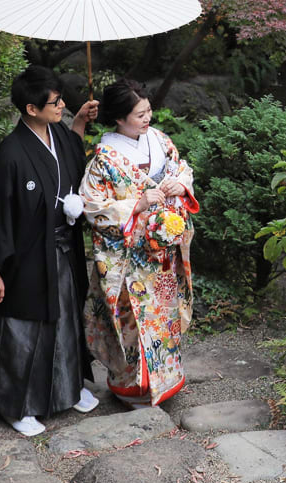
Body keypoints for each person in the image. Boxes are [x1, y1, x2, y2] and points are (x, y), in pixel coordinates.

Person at [0, 64, 101, 436]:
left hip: (63, 247)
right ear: (31, 109)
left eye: (61, 100)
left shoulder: (58, 132)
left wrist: (78, 122)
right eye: (55, 102)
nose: (61, 105)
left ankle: (68, 388)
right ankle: (17, 405)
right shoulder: (12, 153)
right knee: (25, 327)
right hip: (26, 255)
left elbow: (72, 163)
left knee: (65, 321)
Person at [80, 78, 199, 407]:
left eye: (148, 112)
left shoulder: (160, 140)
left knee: (165, 314)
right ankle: (132, 387)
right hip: (129, 256)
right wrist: (138, 204)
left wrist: (178, 184)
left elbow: (181, 167)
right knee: (131, 321)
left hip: (161, 249)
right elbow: (93, 207)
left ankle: (167, 379)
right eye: (139, 115)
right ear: (119, 118)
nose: (147, 119)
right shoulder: (104, 158)